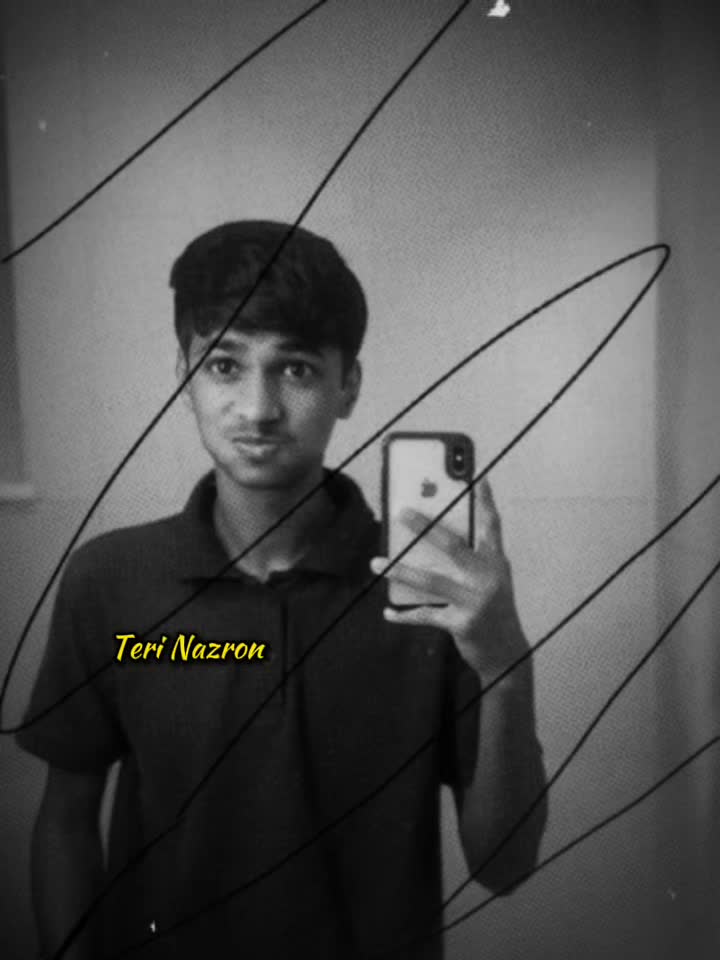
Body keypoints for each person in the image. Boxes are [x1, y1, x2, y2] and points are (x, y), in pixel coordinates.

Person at [17, 221, 547, 960]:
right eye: (225, 365)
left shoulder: (429, 592)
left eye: (295, 369)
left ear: (347, 385)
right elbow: (67, 819)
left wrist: (506, 667)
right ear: (184, 373)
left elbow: (504, 865)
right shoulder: (111, 580)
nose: (258, 408)